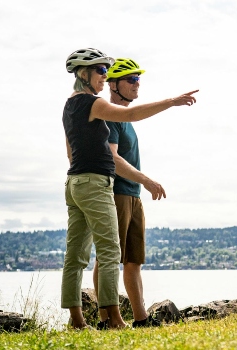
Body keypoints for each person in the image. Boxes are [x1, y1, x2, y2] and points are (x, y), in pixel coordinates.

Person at [61, 47, 198, 330]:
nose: (104, 75)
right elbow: (132, 115)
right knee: (110, 253)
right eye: (101, 71)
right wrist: (171, 101)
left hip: (75, 181)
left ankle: (77, 321)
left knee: (75, 257)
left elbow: (70, 152)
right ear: (84, 74)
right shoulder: (92, 103)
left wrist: (83, 173)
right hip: (96, 183)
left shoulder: (69, 105)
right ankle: (112, 320)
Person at [92, 58, 163, 328]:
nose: (137, 84)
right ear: (113, 84)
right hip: (118, 193)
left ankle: (141, 318)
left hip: (133, 196)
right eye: (131, 79)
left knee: (133, 261)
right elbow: (113, 159)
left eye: (138, 79)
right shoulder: (111, 117)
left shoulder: (127, 121)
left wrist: (141, 185)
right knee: (108, 258)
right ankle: (105, 319)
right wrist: (147, 180)